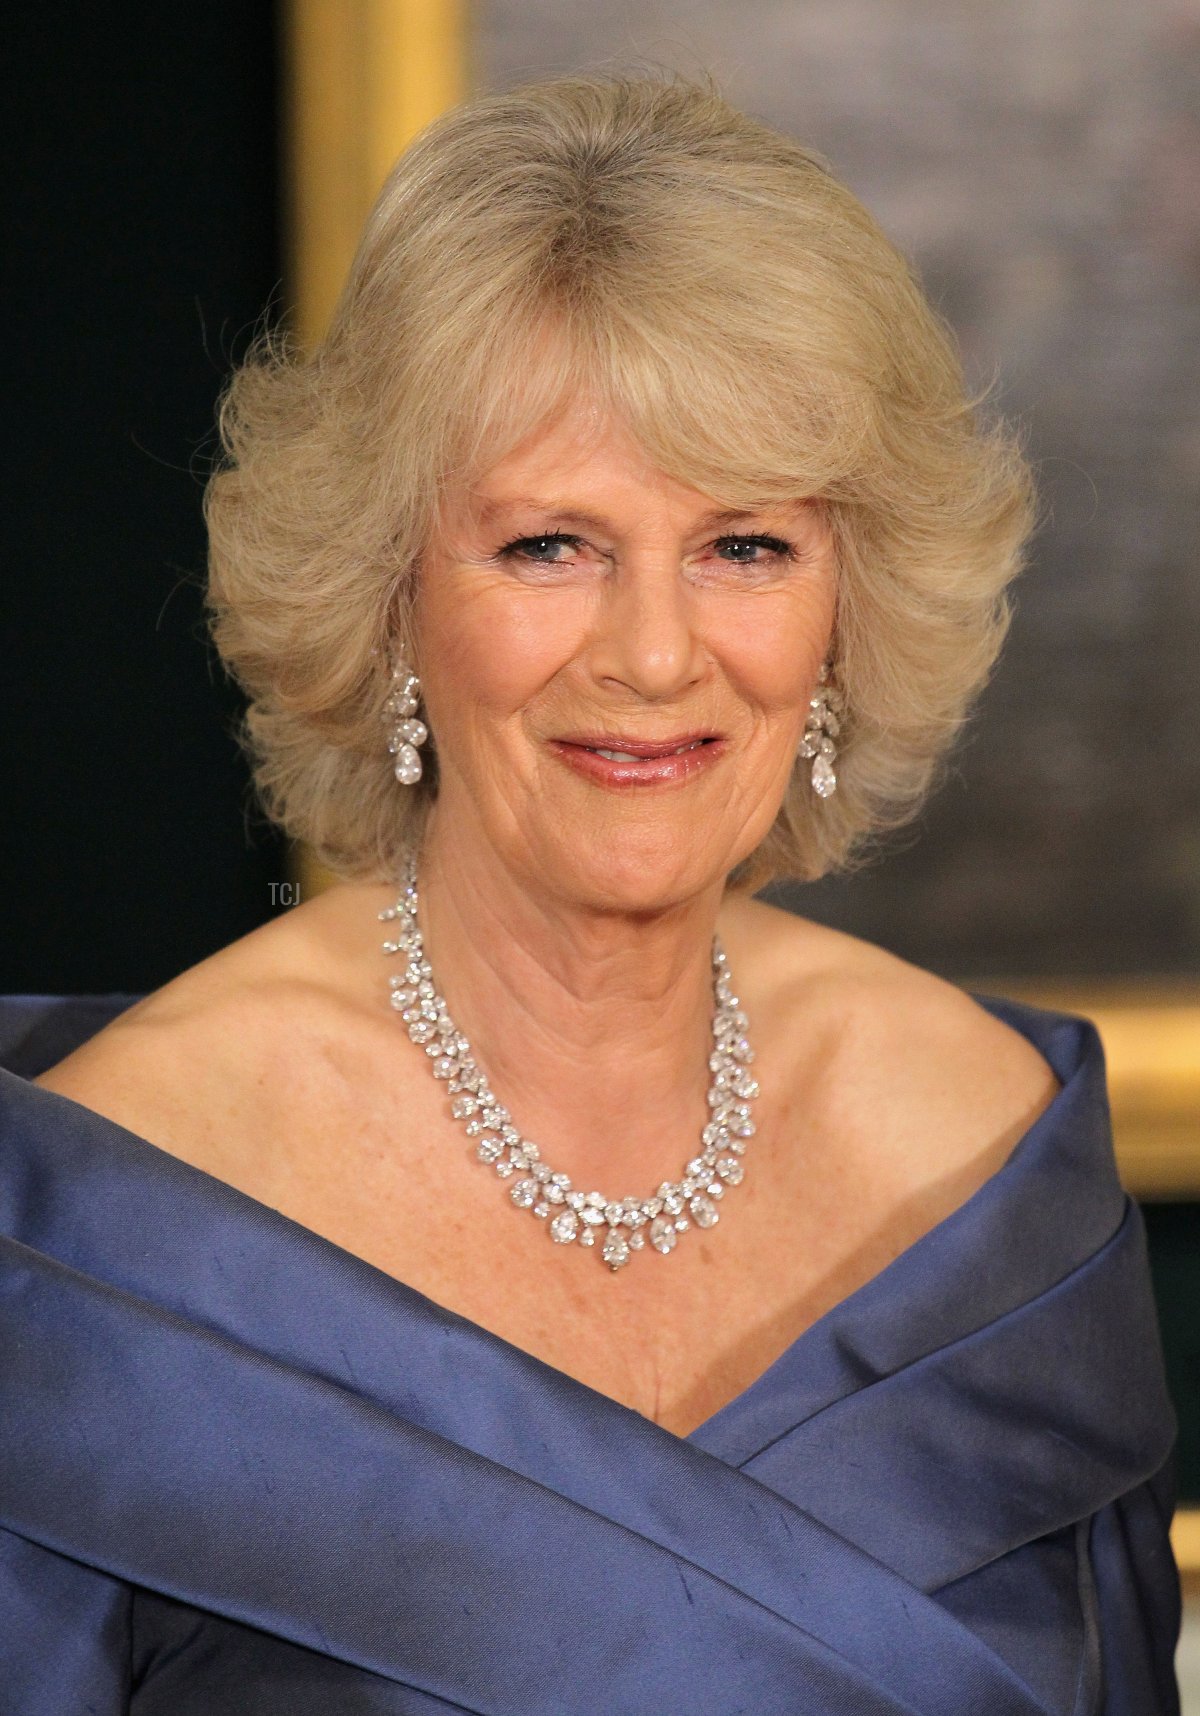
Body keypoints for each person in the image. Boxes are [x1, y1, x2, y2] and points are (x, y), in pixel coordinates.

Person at [0, 70, 1180, 1715]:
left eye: (746, 546)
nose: (650, 651)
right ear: (396, 595)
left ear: (849, 608)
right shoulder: (106, 1224)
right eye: (551, 543)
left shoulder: (1005, 1174)